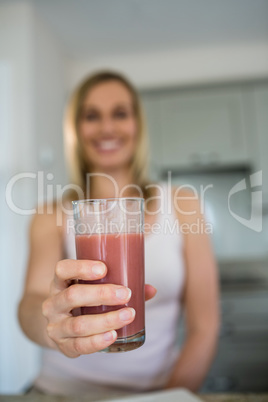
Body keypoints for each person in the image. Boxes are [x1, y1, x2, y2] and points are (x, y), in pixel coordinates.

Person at [18, 70, 220, 398]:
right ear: (76, 129)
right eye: (92, 116)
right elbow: (28, 305)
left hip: (155, 392)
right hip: (60, 392)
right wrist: (53, 328)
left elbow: (204, 326)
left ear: (138, 124)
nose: (107, 128)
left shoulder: (182, 204)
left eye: (120, 114)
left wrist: (169, 397)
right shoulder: (51, 215)